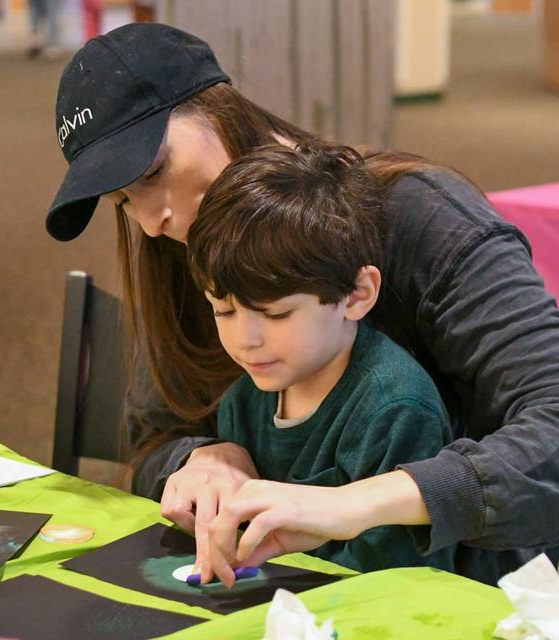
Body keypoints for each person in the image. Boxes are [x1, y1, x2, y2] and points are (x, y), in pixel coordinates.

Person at [45, 23, 559, 587]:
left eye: (153, 172)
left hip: (449, 593)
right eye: (123, 201)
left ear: (219, 108)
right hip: (269, 587)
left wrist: (357, 503)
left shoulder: (421, 217)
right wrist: (198, 459)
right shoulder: (173, 246)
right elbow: (152, 432)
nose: (151, 221)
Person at [185, 143, 456, 583]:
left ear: (356, 294)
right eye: (223, 310)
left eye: (276, 314)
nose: (244, 339)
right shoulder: (247, 396)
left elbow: (402, 584)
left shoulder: (395, 409)